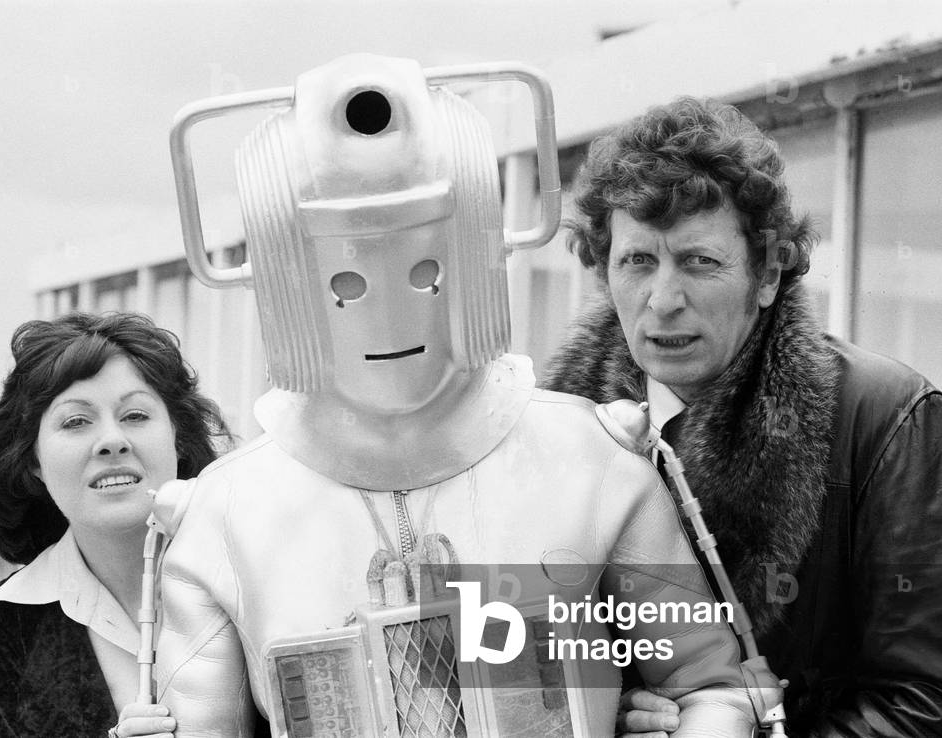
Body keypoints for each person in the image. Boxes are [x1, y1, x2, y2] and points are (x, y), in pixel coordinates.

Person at [150, 54, 778, 738]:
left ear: (473, 255)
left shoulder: (593, 462)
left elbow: (710, 688)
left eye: (425, 273)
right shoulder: (225, 514)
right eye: (346, 284)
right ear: (287, 281)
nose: (385, 312)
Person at [543, 96, 942, 736]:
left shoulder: (885, 418)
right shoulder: (552, 428)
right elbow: (511, 665)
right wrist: (595, 710)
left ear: (765, 275)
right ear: (604, 270)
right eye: (637, 261)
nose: (664, 299)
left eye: (700, 262)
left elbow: (926, 701)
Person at [0, 312, 250, 738]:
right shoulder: (2, 622)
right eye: (76, 422)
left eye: (135, 415)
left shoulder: (256, 564)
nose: (112, 440)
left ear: (179, 436)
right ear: (32, 459)